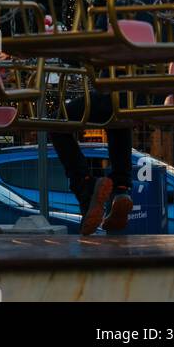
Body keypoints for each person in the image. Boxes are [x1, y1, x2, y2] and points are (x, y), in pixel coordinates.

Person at [50, 90, 133, 237]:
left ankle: (85, 185)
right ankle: (121, 188)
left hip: (110, 93)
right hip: (138, 98)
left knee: (57, 122)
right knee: (120, 117)